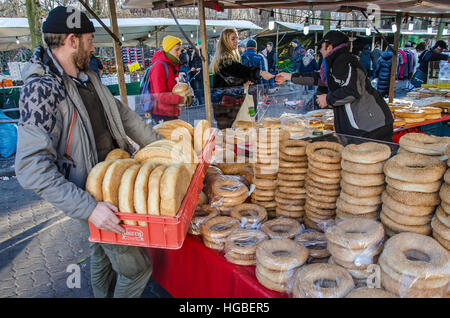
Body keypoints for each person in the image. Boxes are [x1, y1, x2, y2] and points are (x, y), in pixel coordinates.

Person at [15, 6, 161, 298]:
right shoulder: (42, 90)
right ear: (72, 40)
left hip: (114, 178)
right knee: (137, 269)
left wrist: (162, 146)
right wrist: (90, 208)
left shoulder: (86, 74)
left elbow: (123, 115)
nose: (94, 47)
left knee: (101, 251)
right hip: (89, 195)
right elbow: (31, 169)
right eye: (90, 40)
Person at [276, 30, 394, 142]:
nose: (320, 51)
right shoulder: (335, 63)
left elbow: (352, 91)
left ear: (329, 46)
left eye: (321, 47)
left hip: (371, 127)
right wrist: (290, 76)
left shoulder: (345, 62)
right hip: (364, 127)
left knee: (368, 161)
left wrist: (327, 99)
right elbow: (319, 78)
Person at [211, 28, 274, 129]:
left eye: (237, 38)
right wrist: (260, 72)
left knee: (231, 133)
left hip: (227, 103)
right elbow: (239, 70)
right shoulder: (224, 58)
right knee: (227, 134)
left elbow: (231, 78)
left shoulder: (230, 57)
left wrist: (244, 81)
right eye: (233, 39)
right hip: (224, 105)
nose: (236, 41)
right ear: (225, 41)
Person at [149, 35, 192, 123]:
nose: (179, 52)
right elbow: (159, 95)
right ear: (168, 50)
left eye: (180, 49)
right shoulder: (159, 66)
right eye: (176, 49)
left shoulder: (171, 65)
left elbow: (172, 89)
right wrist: (182, 99)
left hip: (170, 112)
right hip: (162, 114)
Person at [188, 40, 204, 105]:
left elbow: (206, 62)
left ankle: (200, 102)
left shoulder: (203, 52)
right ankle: (196, 101)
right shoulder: (193, 53)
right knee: (194, 88)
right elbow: (191, 62)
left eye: (197, 45)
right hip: (193, 73)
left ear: (200, 45)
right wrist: (191, 67)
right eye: (195, 45)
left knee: (198, 88)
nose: (196, 46)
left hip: (200, 74)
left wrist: (200, 68)